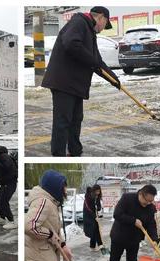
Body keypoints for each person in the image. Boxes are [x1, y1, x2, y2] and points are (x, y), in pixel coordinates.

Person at [41, 6, 121, 157]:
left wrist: (114, 79)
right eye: (105, 24)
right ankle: (58, 155)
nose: (104, 28)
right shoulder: (79, 22)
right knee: (63, 121)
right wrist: (93, 62)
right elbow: (71, 43)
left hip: (75, 84)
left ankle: (75, 150)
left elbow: (97, 62)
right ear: (101, 17)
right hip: (64, 82)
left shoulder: (89, 32)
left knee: (76, 119)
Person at [25, 170, 73, 261]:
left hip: (44, 252)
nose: (65, 190)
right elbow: (30, 226)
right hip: (39, 255)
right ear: (54, 187)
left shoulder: (50, 202)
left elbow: (53, 227)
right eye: (63, 187)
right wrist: (51, 235)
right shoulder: (44, 202)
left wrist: (63, 245)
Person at [109, 184, 159, 261]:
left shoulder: (150, 207)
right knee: (114, 259)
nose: (148, 204)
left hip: (134, 239)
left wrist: (154, 238)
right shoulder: (127, 198)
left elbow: (151, 224)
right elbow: (117, 214)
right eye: (147, 201)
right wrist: (133, 221)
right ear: (141, 194)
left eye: (151, 201)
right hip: (119, 236)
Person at [83, 184, 104, 252]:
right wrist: (94, 216)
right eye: (97, 191)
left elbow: (98, 205)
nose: (98, 193)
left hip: (94, 215)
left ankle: (94, 246)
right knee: (94, 229)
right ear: (94, 190)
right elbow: (88, 208)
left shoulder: (97, 196)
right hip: (88, 215)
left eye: (99, 191)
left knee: (95, 229)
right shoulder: (88, 196)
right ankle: (99, 245)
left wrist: (98, 208)